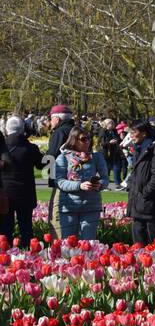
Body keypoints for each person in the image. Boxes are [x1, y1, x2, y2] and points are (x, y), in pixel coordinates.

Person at [51, 126, 108, 241]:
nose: (87, 141)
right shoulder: (62, 158)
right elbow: (59, 182)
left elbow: (105, 178)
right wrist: (79, 185)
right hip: (69, 207)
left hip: (91, 206)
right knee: (69, 243)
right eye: (83, 139)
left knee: (88, 243)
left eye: (89, 139)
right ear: (74, 140)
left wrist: (100, 184)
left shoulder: (96, 157)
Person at [1, 116, 42, 246]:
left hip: (5, 192)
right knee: (26, 228)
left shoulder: (2, 147)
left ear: (6, 129)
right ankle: (28, 255)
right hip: (25, 193)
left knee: (5, 228)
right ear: (22, 129)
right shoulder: (31, 148)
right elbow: (42, 165)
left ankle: (4, 255)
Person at [45, 105, 75, 238]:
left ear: (56, 119)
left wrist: (42, 163)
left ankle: (59, 246)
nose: (50, 123)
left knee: (56, 213)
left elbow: (52, 155)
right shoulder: (78, 131)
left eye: (51, 119)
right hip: (78, 178)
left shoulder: (59, 132)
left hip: (60, 178)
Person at [99, 117, 126, 188]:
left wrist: (118, 139)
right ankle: (104, 185)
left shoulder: (114, 131)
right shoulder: (103, 132)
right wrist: (109, 142)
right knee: (106, 169)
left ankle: (117, 184)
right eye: (110, 123)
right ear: (106, 124)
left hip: (114, 152)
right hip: (106, 153)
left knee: (116, 167)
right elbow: (102, 143)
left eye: (113, 123)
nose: (112, 125)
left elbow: (118, 138)